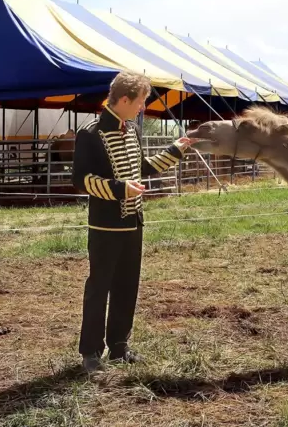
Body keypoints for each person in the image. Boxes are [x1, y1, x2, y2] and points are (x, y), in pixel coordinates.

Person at [71, 70, 194, 372]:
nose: (142, 108)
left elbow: (144, 168)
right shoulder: (90, 133)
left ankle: (119, 346)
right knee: (99, 287)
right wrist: (118, 190)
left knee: (128, 286)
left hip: (133, 224)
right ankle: (90, 352)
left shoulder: (132, 131)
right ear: (124, 99)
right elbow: (81, 180)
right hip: (105, 227)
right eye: (140, 102)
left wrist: (176, 150)